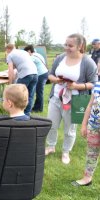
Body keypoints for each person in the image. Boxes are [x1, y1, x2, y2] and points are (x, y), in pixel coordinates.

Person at [45, 33, 97, 165]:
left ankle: (66, 151)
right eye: (65, 44)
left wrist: (76, 86)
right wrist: (56, 80)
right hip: (56, 98)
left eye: (70, 46)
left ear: (80, 46)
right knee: (51, 125)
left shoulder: (87, 62)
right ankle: (51, 146)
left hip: (74, 101)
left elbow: (93, 83)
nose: (66, 48)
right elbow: (50, 75)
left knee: (69, 129)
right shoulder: (61, 58)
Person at [71, 82, 100, 187]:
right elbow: (89, 106)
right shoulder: (96, 86)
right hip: (93, 126)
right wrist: (84, 124)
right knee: (91, 153)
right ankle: (87, 178)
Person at [5, 43, 38, 116]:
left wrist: (10, 84)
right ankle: (27, 114)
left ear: (8, 49)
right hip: (35, 73)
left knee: (17, 94)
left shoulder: (10, 55)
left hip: (25, 74)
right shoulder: (24, 52)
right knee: (30, 95)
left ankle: (17, 113)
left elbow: (11, 70)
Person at [24, 45, 49, 112]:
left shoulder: (32, 57)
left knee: (39, 92)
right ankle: (36, 107)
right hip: (45, 73)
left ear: (29, 51)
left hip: (41, 75)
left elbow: (26, 65)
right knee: (38, 91)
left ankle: (39, 108)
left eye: (25, 52)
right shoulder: (38, 54)